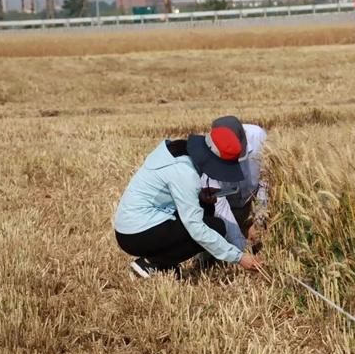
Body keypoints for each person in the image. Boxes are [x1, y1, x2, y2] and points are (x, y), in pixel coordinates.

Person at [114, 117, 263, 278]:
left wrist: (199, 195)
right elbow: (196, 228)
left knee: (208, 207)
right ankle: (153, 263)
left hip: (135, 222)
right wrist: (239, 257)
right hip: (136, 233)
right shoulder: (185, 173)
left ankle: (164, 264)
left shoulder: (180, 148)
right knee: (216, 227)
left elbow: (172, 190)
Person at [201, 118, 267, 252]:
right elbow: (219, 204)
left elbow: (265, 181)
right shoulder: (207, 156)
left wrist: (258, 222)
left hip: (253, 203)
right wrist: (241, 246)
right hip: (228, 211)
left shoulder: (258, 137)